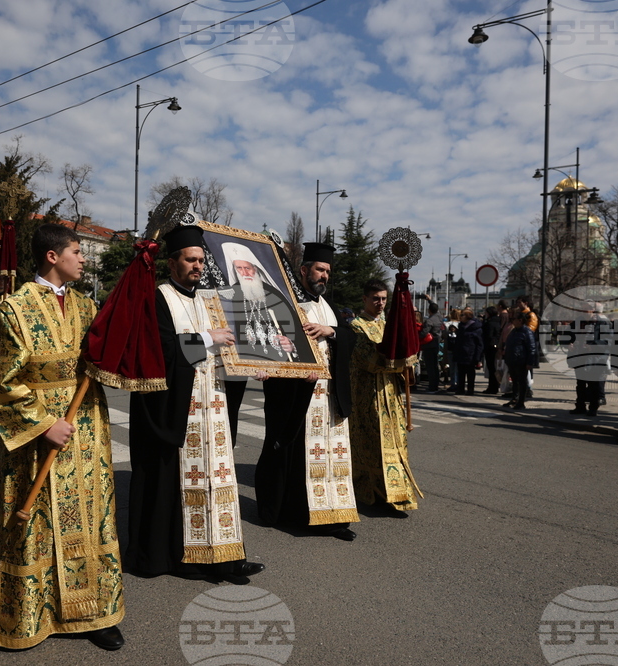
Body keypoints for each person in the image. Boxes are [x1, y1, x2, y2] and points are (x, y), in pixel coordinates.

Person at [0, 223, 124, 651]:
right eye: (78, 251)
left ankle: (94, 613)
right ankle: (29, 615)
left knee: (90, 517)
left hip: (86, 429)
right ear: (52, 257)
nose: (84, 258)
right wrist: (42, 424)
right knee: (37, 522)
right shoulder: (12, 311)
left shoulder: (88, 306)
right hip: (37, 437)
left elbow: (103, 359)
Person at [127, 225, 265, 582]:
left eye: (202, 260)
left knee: (217, 482)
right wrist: (205, 338)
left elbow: (230, 344)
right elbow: (157, 350)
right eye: (191, 259)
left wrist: (253, 364)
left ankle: (224, 558)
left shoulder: (210, 300)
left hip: (214, 405)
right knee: (179, 483)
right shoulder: (157, 298)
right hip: (178, 408)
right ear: (172, 263)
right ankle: (178, 557)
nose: (198, 266)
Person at [256, 242, 359, 541]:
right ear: (304, 270)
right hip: (297, 394)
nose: (325, 276)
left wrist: (332, 331)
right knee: (297, 457)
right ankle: (295, 514)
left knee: (329, 458)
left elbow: (349, 338)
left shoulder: (328, 307)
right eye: (319, 269)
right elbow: (269, 341)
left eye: (328, 271)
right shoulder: (287, 301)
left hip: (328, 396)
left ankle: (332, 518)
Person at [349, 279, 420, 513]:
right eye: (375, 299)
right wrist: (399, 359)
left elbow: (397, 361)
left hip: (391, 394)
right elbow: (372, 361)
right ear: (365, 300)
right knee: (373, 443)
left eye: (383, 299)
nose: (380, 303)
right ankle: (374, 492)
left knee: (396, 441)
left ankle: (397, 493)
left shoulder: (389, 324)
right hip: (367, 395)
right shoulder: (356, 326)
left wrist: (407, 356)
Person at [568, 303, 610, 417]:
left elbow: (608, 340)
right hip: (579, 356)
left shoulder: (602, 323)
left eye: (586, 310)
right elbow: (567, 334)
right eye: (582, 310)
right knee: (580, 384)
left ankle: (593, 408)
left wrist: (594, 345)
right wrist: (568, 343)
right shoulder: (577, 322)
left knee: (593, 385)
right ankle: (580, 406)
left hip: (595, 358)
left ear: (593, 310)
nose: (584, 312)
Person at [503, 311, 536, 410]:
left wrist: (530, 362)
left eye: (514, 319)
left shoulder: (527, 332)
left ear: (520, 320)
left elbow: (532, 348)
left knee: (522, 382)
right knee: (515, 381)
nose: (512, 321)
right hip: (512, 360)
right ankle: (514, 398)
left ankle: (521, 402)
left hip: (521, 361)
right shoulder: (514, 331)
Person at [452, 308, 483, 395]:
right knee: (460, 372)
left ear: (468, 316)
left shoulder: (476, 328)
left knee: (470, 373)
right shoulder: (461, 326)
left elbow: (479, 344)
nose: (461, 317)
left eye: (462, 315)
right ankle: (460, 388)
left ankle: (470, 389)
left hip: (470, 353)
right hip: (461, 352)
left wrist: (478, 357)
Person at [420, 301, 443, 392]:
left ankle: (432, 386)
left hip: (429, 344)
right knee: (435, 366)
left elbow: (423, 333)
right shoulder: (439, 317)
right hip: (436, 343)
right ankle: (435, 384)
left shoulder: (429, 321)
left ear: (429, 310)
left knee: (430, 366)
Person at [481, 305, 502, 394]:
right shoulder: (498, 321)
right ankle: (495, 386)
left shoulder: (489, 323)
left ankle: (492, 387)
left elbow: (488, 335)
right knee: (494, 368)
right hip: (496, 346)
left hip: (489, 347)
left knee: (491, 368)